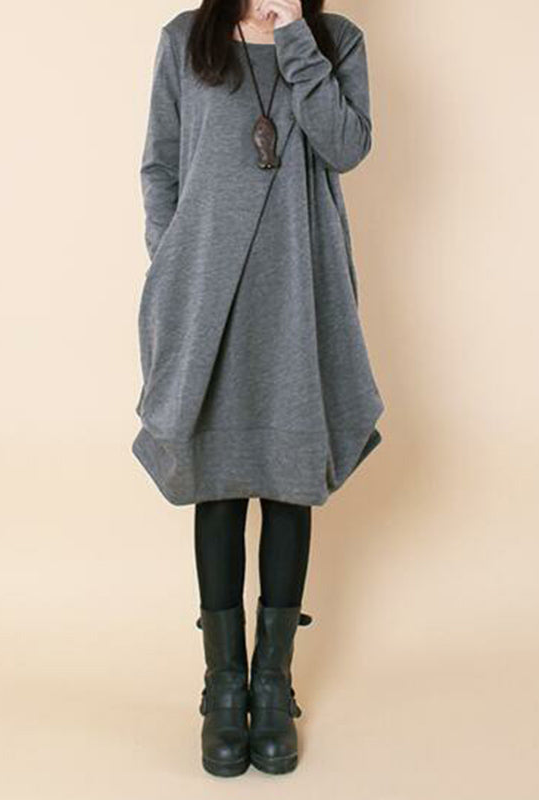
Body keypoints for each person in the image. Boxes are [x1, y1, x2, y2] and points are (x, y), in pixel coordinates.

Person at [132, 0, 385, 777]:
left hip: (298, 292)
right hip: (206, 293)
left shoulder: (336, 40)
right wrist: (176, 262)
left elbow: (345, 146)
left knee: (287, 481)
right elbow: (161, 163)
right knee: (214, 481)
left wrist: (295, 36)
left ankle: (272, 686)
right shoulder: (186, 39)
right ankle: (223, 685)